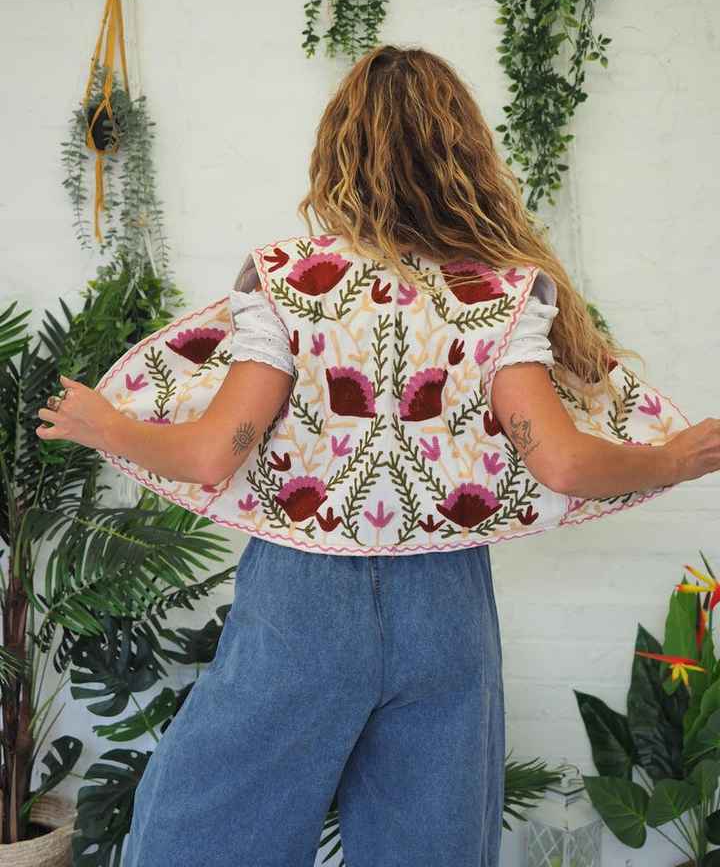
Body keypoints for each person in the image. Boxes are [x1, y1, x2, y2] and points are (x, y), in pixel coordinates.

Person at [36, 45, 714, 867]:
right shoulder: (501, 294)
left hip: (301, 604)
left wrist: (107, 427)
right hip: (445, 608)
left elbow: (216, 451)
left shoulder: (291, 283)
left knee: (209, 830)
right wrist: (675, 460)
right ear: (464, 153)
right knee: (431, 849)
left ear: (340, 152)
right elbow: (563, 464)